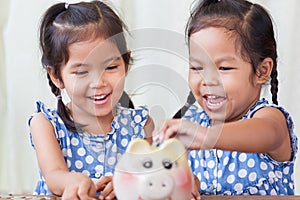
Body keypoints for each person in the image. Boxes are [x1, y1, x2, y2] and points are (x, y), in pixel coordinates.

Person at [159, 0, 298, 196]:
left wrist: (205, 136)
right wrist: (183, 183)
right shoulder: (191, 126)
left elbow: (269, 132)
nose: (208, 80)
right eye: (197, 67)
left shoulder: (270, 119)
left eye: (224, 68)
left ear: (262, 71)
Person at [28, 1, 154, 199]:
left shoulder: (141, 124)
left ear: (126, 63)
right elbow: (54, 175)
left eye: (111, 67)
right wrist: (73, 182)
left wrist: (130, 182)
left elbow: (152, 177)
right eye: (82, 72)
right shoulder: (47, 125)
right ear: (56, 76)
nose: (98, 82)